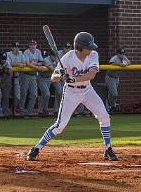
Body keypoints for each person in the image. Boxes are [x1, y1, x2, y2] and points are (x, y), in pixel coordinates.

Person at [27, 32, 118, 161]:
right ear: (80, 47)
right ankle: (37, 148)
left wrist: (74, 79)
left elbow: (91, 75)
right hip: (70, 93)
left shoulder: (93, 55)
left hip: (87, 90)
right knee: (60, 126)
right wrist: (60, 75)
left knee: (104, 117)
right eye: (89, 46)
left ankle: (108, 148)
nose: (92, 49)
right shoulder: (67, 58)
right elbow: (53, 78)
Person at [20, 40, 44, 116]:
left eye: (34, 44)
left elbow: (41, 62)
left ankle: (29, 112)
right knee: (23, 94)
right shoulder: (26, 52)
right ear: (29, 46)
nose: (33, 46)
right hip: (25, 75)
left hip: (33, 75)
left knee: (34, 95)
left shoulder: (38, 51)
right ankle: (21, 111)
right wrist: (38, 67)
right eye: (31, 45)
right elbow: (27, 64)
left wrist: (34, 64)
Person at [37, 51, 62, 116]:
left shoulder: (57, 60)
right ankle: (43, 110)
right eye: (54, 56)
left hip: (53, 76)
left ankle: (57, 110)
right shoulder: (46, 60)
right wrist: (60, 70)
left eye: (56, 56)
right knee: (46, 94)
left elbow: (60, 68)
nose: (55, 57)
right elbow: (52, 69)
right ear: (50, 55)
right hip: (43, 78)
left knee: (60, 91)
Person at [6, 42, 26, 115]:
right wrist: (18, 64)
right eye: (15, 47)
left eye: (17, 47)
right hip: (10, 77)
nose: (16, 48)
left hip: (19, 76)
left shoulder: (21, 53)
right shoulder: (8, 54)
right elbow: (8, 63)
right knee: (9, 95)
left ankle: (14, 110)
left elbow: (24, 63)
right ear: (12, 48)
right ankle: (8, 111)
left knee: (19, 95)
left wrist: (21, 64)